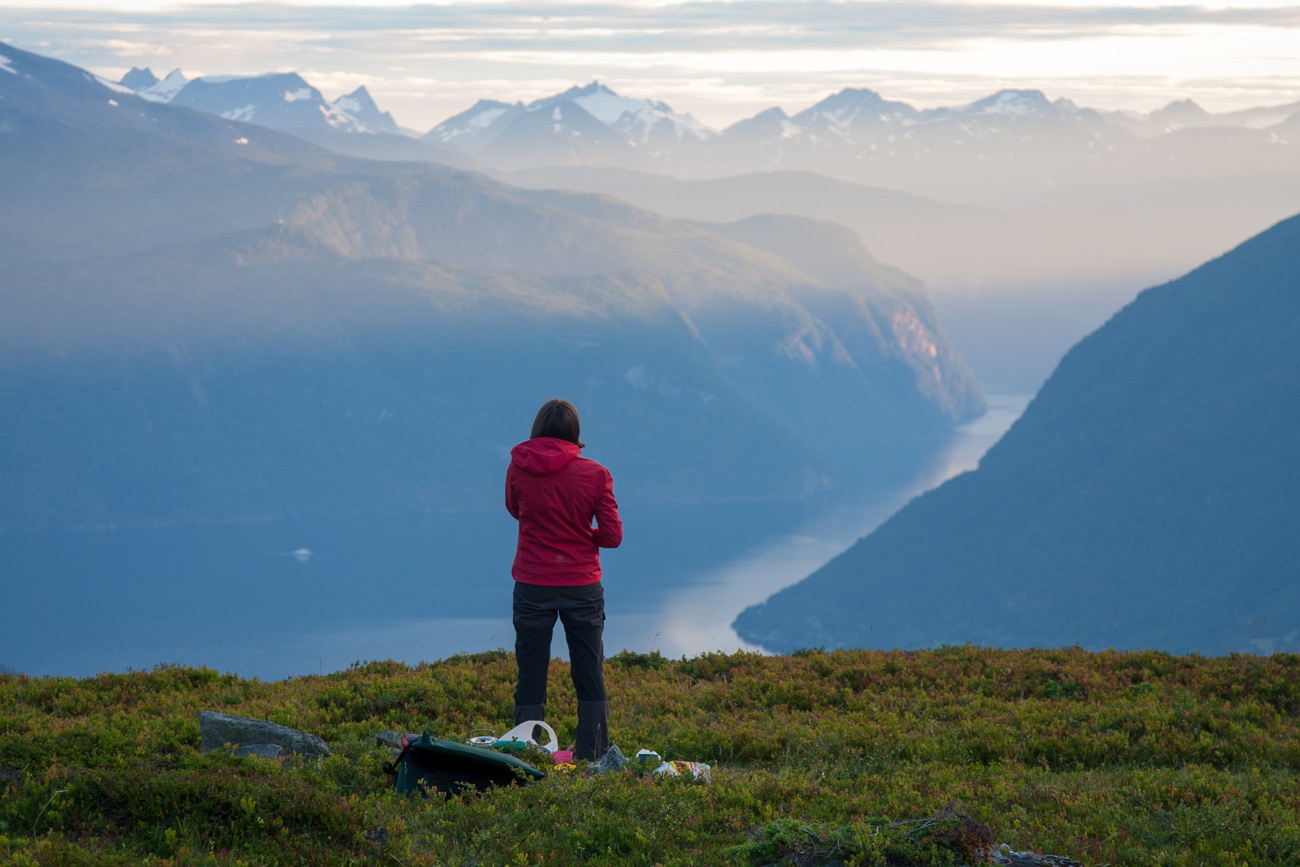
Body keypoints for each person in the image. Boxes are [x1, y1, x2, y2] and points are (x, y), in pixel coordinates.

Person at [505, 398, 622, 761]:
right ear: (575, 432)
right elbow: (613, 536)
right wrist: (584, 535)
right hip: (581, 584)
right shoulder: (596, 474)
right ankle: (593, 753)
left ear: (538, 427)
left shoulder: (518, 468)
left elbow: (514, 509)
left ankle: (527, 751)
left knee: (531, 671)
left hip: (532, 582)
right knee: (589, 669)